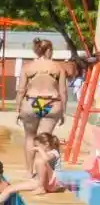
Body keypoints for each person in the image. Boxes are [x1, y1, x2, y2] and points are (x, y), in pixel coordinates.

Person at [14, 37, 69, 172]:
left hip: (31, 102)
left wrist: (17, 108)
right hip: (52, 102)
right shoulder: (58, 67)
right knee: (44, 141)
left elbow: (21, 90)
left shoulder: (28, 67)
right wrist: (63, 111)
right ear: (48, 50)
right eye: (52, 50)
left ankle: (29, 172)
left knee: (30, 137)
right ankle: (41, 174)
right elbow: (63, 91)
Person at [0, 133, 71, 205]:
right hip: (45, 182)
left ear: (46, 144)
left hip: (53, 184)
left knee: (39, 161)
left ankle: (41, 188)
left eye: (37, 145)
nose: (35, 148)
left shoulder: (54, 153)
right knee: (10, 189)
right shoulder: (47, 153)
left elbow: (46, 159)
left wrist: (39, 150)